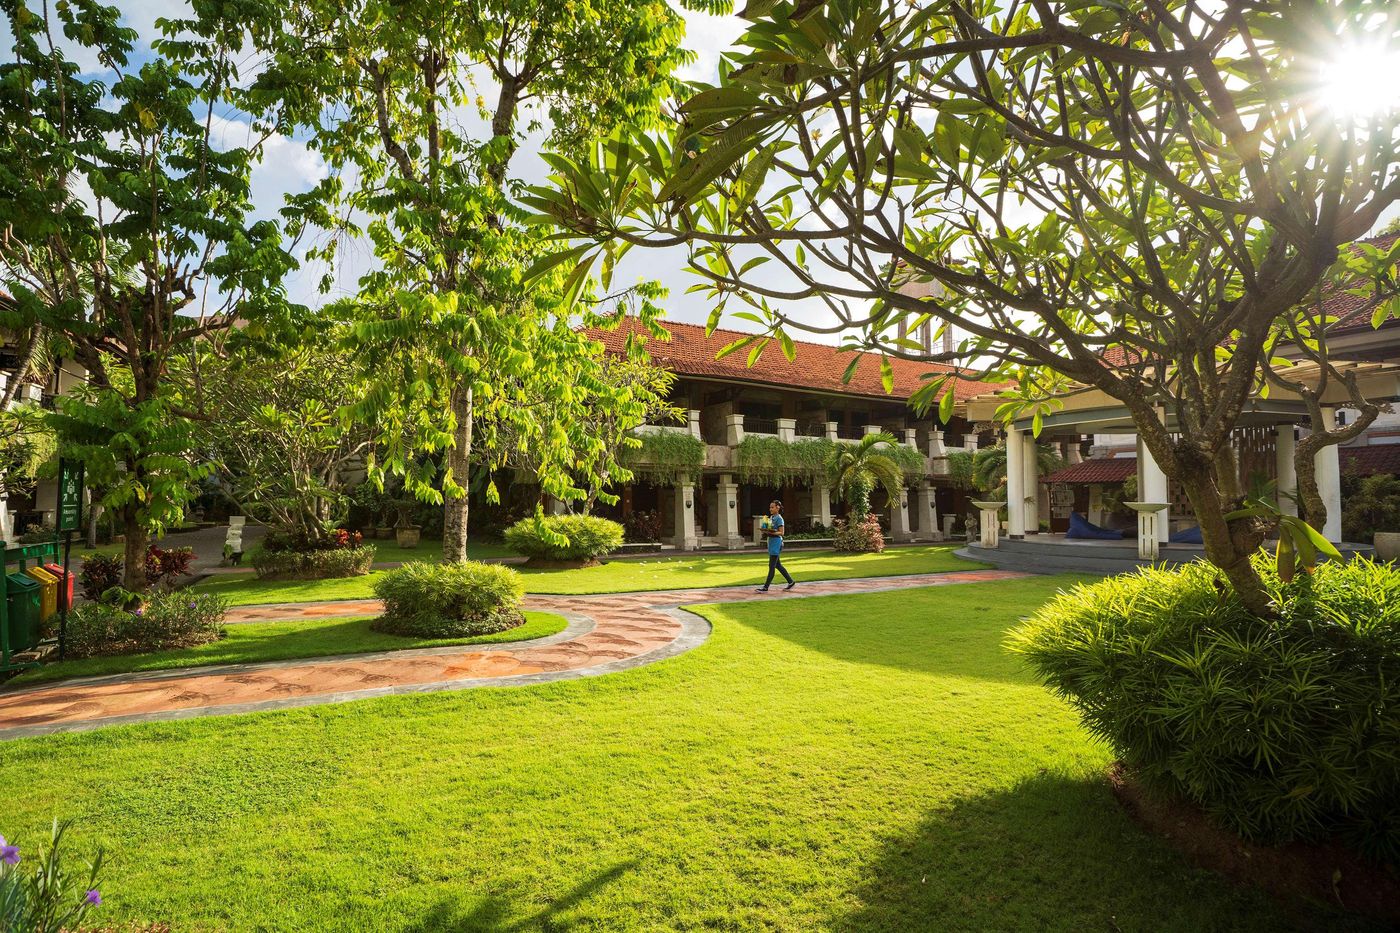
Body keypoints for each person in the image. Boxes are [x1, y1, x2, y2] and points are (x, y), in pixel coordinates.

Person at [757, 499, 795, 592]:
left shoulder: (779, 518)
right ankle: (791, 582)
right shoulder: (771, 518)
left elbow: (781, 532)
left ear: (777, 508)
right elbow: (770, 529)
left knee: (771, 566)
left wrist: (771, 532)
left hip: (776, 543)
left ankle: (765, 587)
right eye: (770, 507)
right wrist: (765, 530)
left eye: (772, 507)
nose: (770, 509)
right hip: (771, 542)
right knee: (778, 565)